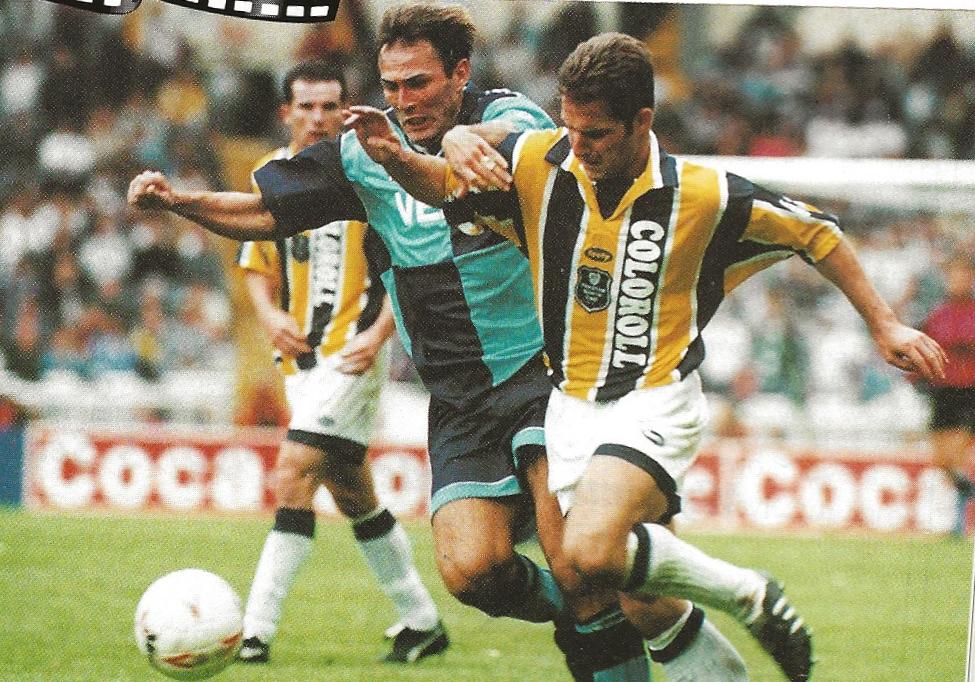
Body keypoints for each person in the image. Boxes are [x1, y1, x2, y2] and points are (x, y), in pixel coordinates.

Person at [343, 32, 950, 682]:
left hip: (653, 400)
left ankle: (751, 594)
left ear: (641, 122)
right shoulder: (543, 163)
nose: (578, 145)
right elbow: (443, 187)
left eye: (596, 133)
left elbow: (816, 233)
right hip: (570, 407)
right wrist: (393, 156)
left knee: (587, 552)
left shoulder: (703, 195)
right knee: (644, 602)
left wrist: (884, 324)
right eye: (570, 128)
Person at [129, 6, 664, 679]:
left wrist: (464, 136)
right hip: (460, 400)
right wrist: (179, 202)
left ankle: (602, 621)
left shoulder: (507, 117)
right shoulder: (364, 152)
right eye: (391, 85)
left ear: (460, 73)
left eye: (419, 83)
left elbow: (516, 141)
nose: (404, 100)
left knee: (572, 557)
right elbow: (264, 211)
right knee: (472, 571)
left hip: (542, 377)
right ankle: (592, 612)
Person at [228, 62, 448, 665]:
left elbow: (408, 262)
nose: (319, 118)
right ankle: (422, 622)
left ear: (346, 111)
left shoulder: (371, 170)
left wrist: (378, 336)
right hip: (299, 361)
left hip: (353, 355)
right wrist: (269, 315)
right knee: (353, 492)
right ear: (287, 113)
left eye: (330, 106)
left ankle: (253, 632)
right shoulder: (273, 174)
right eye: (307, 106)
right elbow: (256, 265)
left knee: (293, 471)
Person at [921, 256, 975, 536]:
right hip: (942, 391)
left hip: (969, 392)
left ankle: (958, 524)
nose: (957, 281)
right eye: (953, 276)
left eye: (963, 276)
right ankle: (966, 496)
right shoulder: (938, 313)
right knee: (941, 462)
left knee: (956, 456)